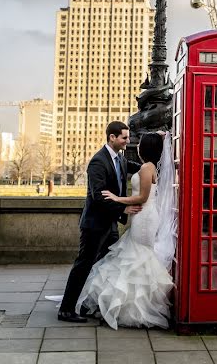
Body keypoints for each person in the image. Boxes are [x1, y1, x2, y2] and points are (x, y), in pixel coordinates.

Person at [77, 131, 176, 329]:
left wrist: (117, 199)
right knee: (135, 256)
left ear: (145, 148)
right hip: (142, 216)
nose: (134, 145)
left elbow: (142, 198)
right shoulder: (147, 167)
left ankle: (133, 309)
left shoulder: (147, 168)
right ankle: (131, 305)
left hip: (144, 217)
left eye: (139, 143)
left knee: (138, 256)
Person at [57, 121, 141, 323]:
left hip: (109, 223)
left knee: (106, 264)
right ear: (112, 137)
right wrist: (123, 207)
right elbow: (98, 195)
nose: (127, 141)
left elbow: (135, 167)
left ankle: (91, 303)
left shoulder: (119, 158)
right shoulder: (98, 162)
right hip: (95, 224)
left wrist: (154, 164)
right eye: (124, 138)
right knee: (84, 265)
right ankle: (66, 310)